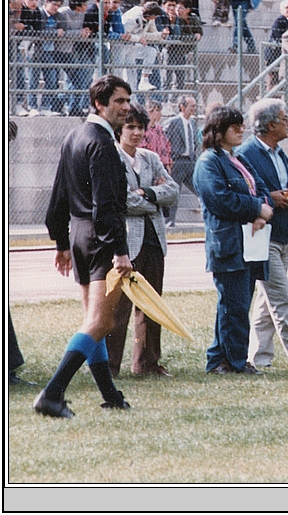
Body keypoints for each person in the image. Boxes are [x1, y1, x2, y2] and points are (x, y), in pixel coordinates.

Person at [35, 75, 134, 418]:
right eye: (119, 101)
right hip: (100, 238)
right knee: (101, 323)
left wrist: (62, 242)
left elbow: (58, 197)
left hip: (80, 236)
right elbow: (106, 205)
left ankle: (111, 396)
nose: (126, 107)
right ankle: (52, 393)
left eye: (127, 100)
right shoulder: (103, 143)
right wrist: (120, 250)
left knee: (95, 321)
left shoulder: (75, 135)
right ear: (99, 104)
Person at [236, 99, 288, 371]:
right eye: (284, 118)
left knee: (266, 303)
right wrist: (269, 198)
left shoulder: (279, 153)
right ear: (270, 124)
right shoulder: (247, 154)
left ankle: (258, 358)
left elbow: (277, 188)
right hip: (264, 236)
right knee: (281, 299)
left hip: (284, 232)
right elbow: (246, 193)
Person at [193, 105, 273, 375]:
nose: (241, 130)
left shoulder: (237, 158)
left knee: (236, 305)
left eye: (242, 125)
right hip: (228, 244)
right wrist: (256, 208)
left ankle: (220, 360)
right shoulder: (208, 162)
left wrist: (262, 210)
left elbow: (261, 188)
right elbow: (220, 199)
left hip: (248, 243)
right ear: (218, 131)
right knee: (233, 306)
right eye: (234, 126)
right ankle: (235, 361)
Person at [106, 103, 178, 377]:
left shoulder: (150, 157)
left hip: (153, 241)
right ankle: (110, 365)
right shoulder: (111, 157)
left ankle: (147, 363)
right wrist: (154, 199)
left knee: (152, 305)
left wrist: (147, 192)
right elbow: (121, 200)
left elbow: (172, 191)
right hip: (126, 243)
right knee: (119, 308)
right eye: (130, 127)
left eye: (140, 128)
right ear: (119, 129)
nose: (136, 133)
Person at [164, 95, 199, 226]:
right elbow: (165, 140)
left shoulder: (193, 123)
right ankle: (169, 222)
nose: (194, 109)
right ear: (182, 107)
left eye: (195, 106)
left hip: (190, 162)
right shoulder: (173, 122)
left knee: (199, 188)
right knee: (174, 192)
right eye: (191, 106)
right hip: (177, 162)